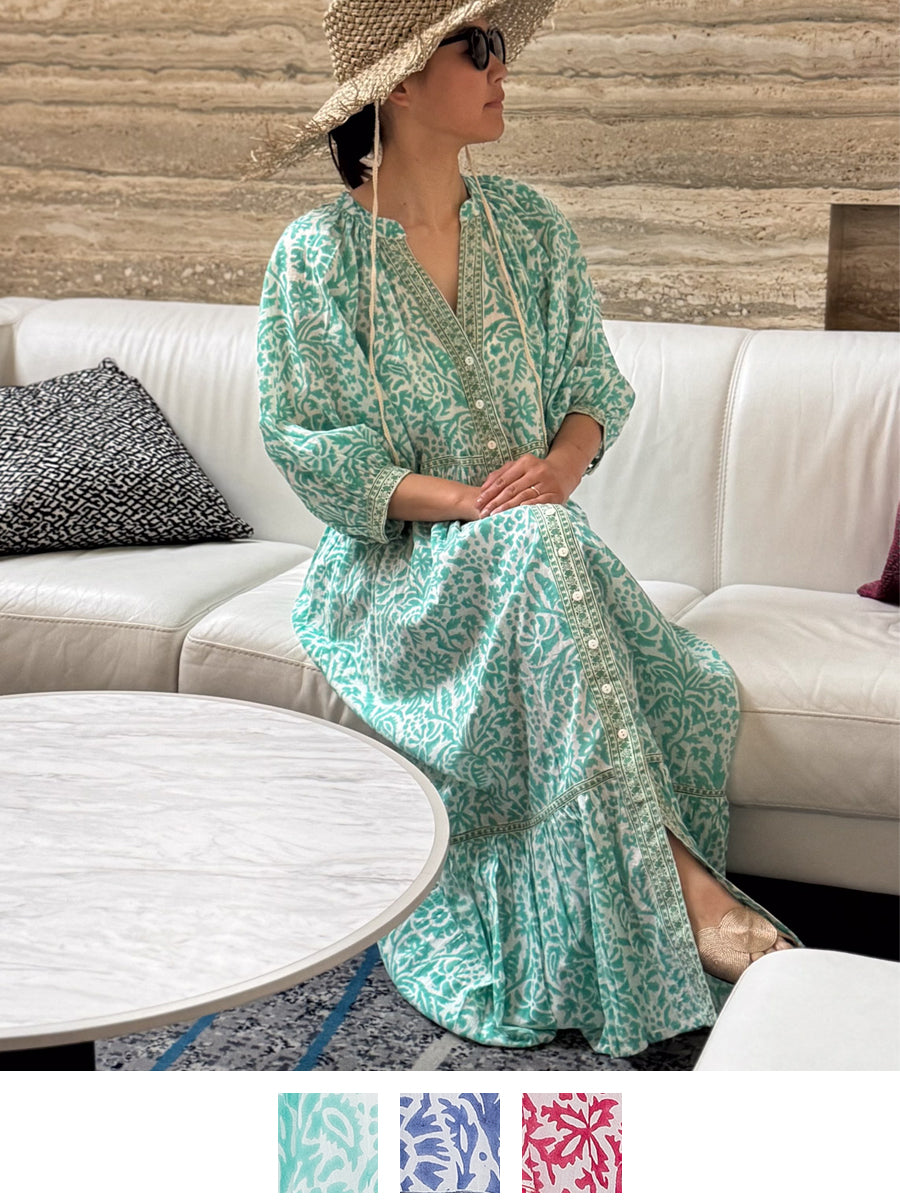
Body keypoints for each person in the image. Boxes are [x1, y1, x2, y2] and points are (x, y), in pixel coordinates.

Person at [251, 0, 797, 1058]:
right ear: (402, 83)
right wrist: (470, 503)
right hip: (397, 574)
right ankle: (687, 893)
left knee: (563, 562)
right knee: (544, 545)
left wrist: (556, 470)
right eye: (481, 49)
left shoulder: (532, 230)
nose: (504, 69)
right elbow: (315, 446)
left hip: (536, 551)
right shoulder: (317, 256)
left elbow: (592, 387)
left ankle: (660, 896)